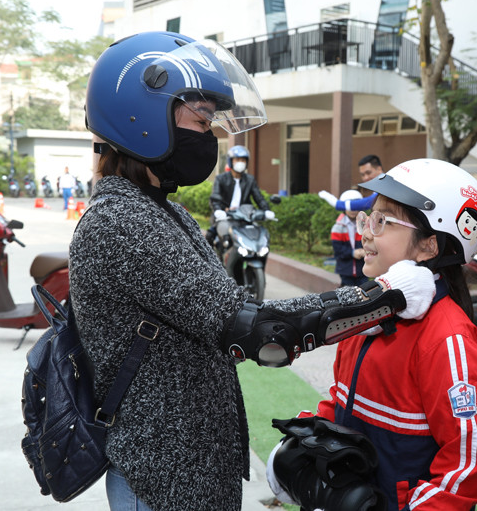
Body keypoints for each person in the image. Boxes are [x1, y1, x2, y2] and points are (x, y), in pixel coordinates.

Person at [71, 31, 434, 511]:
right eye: (200, 117)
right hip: (163, 478)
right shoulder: (121, 222)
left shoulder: (162, 211)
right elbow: (259, 331)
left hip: (190, 468)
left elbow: (234, 309)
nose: (211, 135)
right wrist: (385, 294)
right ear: (139, 116)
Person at [267, 159, 477, 511]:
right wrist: (309, 443)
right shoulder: (368, 315)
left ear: (429, 246)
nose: (366, 232)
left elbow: (468, 469)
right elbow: (342, 397)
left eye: (383, 221)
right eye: (367, 218)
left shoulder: (448, 340)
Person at [206, 144, 274, 248]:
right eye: (237, 159)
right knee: (210, 236)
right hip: (226, 215)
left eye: (243, 160)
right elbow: (216, 197)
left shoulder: (250, 180)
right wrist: (219, 210)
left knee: (258, 239)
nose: (240, 163)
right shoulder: (221, 179)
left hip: (245, 217)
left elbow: (259, 198)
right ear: (230, 161)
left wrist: (266, 210)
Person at [318, 154, 384, 212]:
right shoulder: (379, 187)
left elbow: (370, 201)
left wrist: (338, 204)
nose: (365, 178)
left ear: (379, 169)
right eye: (362, 175)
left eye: (368, 173)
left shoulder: (386, 185)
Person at [331, 189, 367, 287]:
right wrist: (352, 253)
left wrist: (366, 251)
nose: (353, 210)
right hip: (345, 269)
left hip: (363, 268)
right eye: (350, 207)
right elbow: (337, 250)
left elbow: (372, 243)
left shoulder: (366, 225)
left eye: (355, 207)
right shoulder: (338, 227)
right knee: (348, 295)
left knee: (364, 294)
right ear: (344, 207)